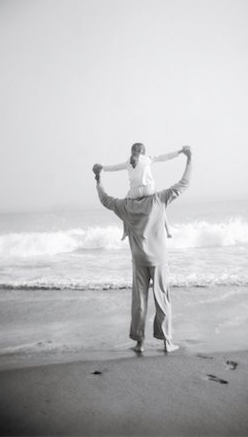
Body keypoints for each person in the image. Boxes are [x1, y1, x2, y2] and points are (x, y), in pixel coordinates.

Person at [92, 146, 192, 353]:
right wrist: (189, 159)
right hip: (159, 258)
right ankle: (167, 342)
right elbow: (184, 184)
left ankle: (139, 343)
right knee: (162, 297)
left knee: (139, 300)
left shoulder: (125, 206)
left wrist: (98, 179)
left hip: (138, 259)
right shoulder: (159, 199)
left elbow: (105, 200)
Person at [97, 143, 188, 239]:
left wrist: (102, 168)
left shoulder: (128, 162)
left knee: (124, 206)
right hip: (149, 190)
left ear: (132, 152)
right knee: (161, 205)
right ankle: (168, 231)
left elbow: (114, 168)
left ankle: (125, 232)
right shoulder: (148, 159)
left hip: (135, 193)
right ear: (143, 152)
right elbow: (165, 157)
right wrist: (180, 152)